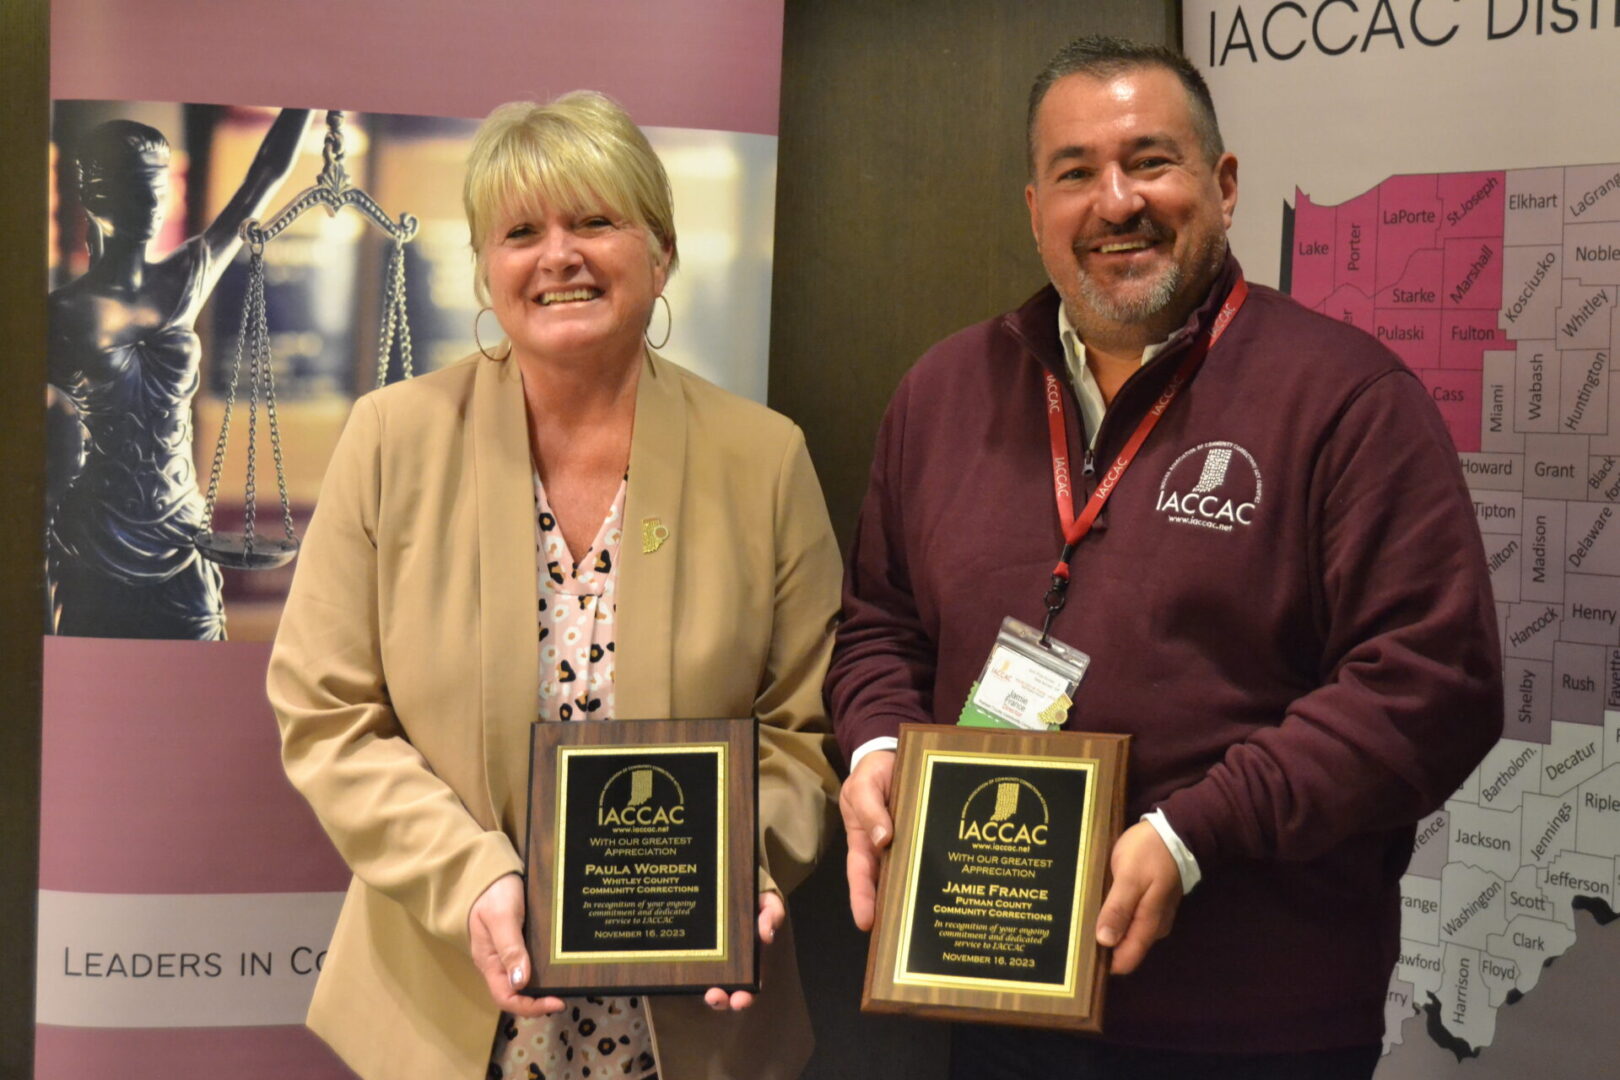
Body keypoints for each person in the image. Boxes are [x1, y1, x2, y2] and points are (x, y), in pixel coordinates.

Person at [828, 35, 1502, 1080]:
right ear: (1034, 207)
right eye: (1075, 173)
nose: (1115, 202)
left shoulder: (1347, 399)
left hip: (1254, 1016)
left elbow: (1433, 683)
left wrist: (1197, 832)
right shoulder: (945, 389)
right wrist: (875, 751)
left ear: (1224, 186)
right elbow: (879, 623)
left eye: (1150, 161)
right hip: (994, 988)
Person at [268, 92, 841, 1080]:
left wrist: (740, 864)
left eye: (596, 221)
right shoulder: (391, 441)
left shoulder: (765, 459)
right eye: (522, 231)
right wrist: (473, 878)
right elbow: (327, 713)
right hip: (450, 999)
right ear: (485, 271)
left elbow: (806, 729)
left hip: (690, 1022)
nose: (559, 255)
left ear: (660, 252)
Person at [47, 109, 312, 639]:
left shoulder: (187, 278)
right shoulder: (60, 315)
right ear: (97, 199)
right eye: (135, 189)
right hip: (97, 534)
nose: (152, 203)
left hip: (181, 532)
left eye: (159, 188)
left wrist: (311, 101)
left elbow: (265, 174)